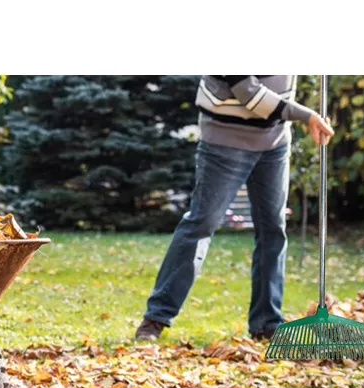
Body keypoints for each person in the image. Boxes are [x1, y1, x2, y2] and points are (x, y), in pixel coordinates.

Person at [135, 75, 335, 342]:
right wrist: (306, 115)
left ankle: (267, 324)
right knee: (201, 224)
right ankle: (156, 318)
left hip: (274, 143)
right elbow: (247, 91)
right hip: (225, 142)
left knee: (272, 230)